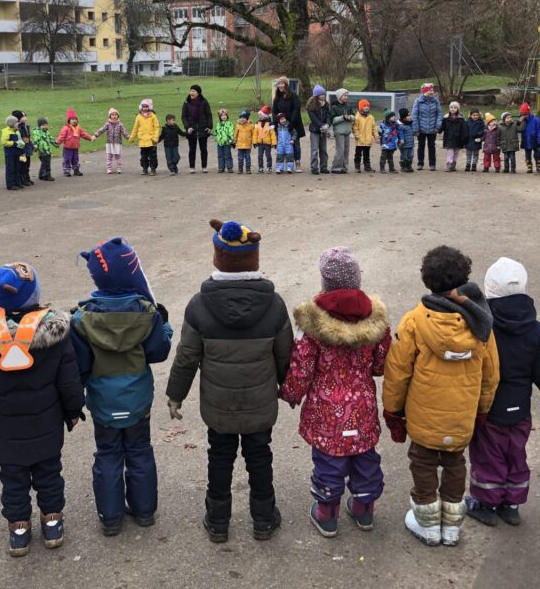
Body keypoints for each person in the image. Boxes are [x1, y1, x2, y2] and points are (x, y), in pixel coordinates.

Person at [166, 220, 293, 543]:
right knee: (260, 456)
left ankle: (218, 519)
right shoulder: (274, 305)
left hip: (219, 406)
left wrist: (175, 395)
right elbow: (284, 356)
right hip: (259, 404)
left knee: (219, 457)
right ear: (255, 259)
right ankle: (264, 518)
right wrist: (289, 388)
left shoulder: (199, 305)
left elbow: (187, 356)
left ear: (217, 257)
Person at [0, 263, 85, 557]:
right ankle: (52, 523)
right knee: (49, 474)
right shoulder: (56, 335)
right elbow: (69, 382)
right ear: (34, 294)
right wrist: (74, 410)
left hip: (6, 433)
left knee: (12, 479)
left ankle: (19, 530)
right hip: (48, 428)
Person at [382, 245, 499, 547]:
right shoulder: (482, 325)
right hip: (462, 415)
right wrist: (483, 409)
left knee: (422, 461)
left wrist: (393, 411)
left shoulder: (414, 322)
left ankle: (427, 520)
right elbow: (490, 374)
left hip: (423, 416)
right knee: (455, 461)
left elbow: (398, 371)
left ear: (426, 281)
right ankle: (451, 524)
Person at [280, 247, 390, 537]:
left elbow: (301, 367)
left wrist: (291, 393)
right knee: (365, 458)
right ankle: (364, 510)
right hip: (362, 408)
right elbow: (381, 363)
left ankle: (327, 513)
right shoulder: (376, 321)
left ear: (325, 282)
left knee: (329, 460)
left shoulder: (313, 326)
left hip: (325, 412)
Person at [70, 237, 172, 536]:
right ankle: (144, 511)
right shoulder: (147, 313)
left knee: (107, 454)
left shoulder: (81, 318)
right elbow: (158, 352)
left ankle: (111, 517)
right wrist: (164, 326)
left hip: (103, 400)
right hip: (137, 399)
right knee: (140, 450)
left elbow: (81, 365)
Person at [465, 258, 540, 527]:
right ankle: (511, 504)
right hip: (521, 408)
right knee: (516, 454)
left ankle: (486, 504)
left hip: (490, 408)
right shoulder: (535, 328)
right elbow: (539, 367)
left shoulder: (485, 328)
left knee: (488, 456)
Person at [271, 76, 305, 172]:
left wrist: (292, 122)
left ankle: (297, 162)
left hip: (293, 123)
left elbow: (296, 109)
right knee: (282, 144)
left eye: (282, 83)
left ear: (286, 85)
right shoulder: (277, 97)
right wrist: (276, 121)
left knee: (295, 143)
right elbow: (274, 111)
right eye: (279, 84)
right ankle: (281, 164)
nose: (280, 85)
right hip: (281, 125)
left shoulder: (293, 95)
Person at [411, 83, 443, 171]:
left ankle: (432, 164)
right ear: (424, 91)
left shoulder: (436, 101)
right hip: (421, 128)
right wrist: (416, 128)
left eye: (432, 90)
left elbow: (439, 114)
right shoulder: (418, 101)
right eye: (430, 90)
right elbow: (414, 115)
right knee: (421, 146)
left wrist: (437, 126)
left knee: (432, 146)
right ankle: (420, 163)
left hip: (433, 128)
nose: (432, 92)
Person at [182, 85, 213, 173]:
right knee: (192, 150)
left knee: (203, 149)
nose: (191, 93)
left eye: (194, 91)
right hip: (191, 129)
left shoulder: (204, 102)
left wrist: (209, 126)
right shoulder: (186, 102)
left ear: (198, 93)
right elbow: (184, 116)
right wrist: (187, 127)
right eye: (191, 91)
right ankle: (192, 167)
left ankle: (204, 166)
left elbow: (208, 115)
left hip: (203, 129)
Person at [55, 109, 95, 177]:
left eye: (75, 119)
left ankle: (76, 170)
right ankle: (66, 171)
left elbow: (84, 134)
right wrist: (58, 141)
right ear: (69, 121)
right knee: (67, 159)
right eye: (72, 119)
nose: (74, 120)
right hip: (67, 147)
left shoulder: (78, 128)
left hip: (75, 147)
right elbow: (62, 136)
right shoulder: (66, 128)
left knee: (75, 159)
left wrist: (90, 138)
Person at [129, 99, 161, 176]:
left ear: (149, 107)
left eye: (146, 107)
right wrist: (132, 138)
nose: (145, 108)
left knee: (153, 156)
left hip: (151, 140)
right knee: (143, 157)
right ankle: (145, 168)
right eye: (143, 107)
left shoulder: (153, 116)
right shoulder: (138, 117)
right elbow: (135, 128)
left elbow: (157, 127)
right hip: (142, 141)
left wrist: (155, 138)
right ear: (141, 107)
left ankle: (153, 169)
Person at [94, 108, 129, 175]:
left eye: (116, 114)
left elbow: (124, 132)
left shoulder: (120, 124)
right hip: (109, 143)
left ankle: (118, 168)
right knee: (109, 157)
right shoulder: (107, 124)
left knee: (118, 157)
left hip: (117, 143)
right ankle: (109, 168)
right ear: (110, 116)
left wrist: (129, 138)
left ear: (118, 116)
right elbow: (102, 130)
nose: (114, 116)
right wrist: (96, 135)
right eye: (112, 115)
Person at [306, 85, 331, 175]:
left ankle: (324, 167)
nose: (323, 96)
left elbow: (328, 116)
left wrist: (327, 125)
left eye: (324, 94)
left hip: (323, 130)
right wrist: (322, 125)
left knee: (323, 150)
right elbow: (314, 119)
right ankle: (314, 167)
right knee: (315, 150)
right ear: (317, 95)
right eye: (321, 94)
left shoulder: (326, 104)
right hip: (315, 130)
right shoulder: (311, 106)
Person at [329, 89, 355, 174]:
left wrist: (350, 117)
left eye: (347, 95)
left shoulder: (348, 106)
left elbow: (354, 116)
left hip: (347, 131)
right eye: (344, 95)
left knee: (346, 150)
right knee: (340, 150)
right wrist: (342, 117)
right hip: (339, 131)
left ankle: (344, 167)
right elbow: (333, 120)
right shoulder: (334, 107)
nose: (346, 97)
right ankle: (336, 167)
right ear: (340, 97)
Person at [440, 101, 468, 173]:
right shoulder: (446, 118)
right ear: (449, 108)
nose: (453, 109)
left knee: (456, 152)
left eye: (455, 107)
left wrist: (464, 137)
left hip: (458, 138)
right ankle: (449, 164)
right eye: (451, 107)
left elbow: (464, 129)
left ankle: (453, 164)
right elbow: (442, 126)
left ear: (457, 109)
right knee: (450, 151)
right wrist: (438, 130)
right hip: (449, 137)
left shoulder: (461, 119)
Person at [353, 100, 379, 173]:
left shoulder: (371, 117)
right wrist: (358, 136)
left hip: (368, 140)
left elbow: (374, 128)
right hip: (359, 140)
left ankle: (367, 167)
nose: (366, 107)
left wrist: (376, 136)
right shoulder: (357, 117)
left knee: (367, 155)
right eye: (364, 106)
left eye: (367, 106)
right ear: (361, 107)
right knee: (358, 154)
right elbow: (355, 128)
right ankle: (357, 167)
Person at [518, 103, 540, 174]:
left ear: (528, 113)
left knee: (537, 154)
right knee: (528, 155)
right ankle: (529, 167)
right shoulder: (522, 120)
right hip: (526, 139)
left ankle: (539, 167)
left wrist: (539, 139)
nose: (523, 116)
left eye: (525, 114)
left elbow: (539, 130)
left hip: (534, 139)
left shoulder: (536, 120)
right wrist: (519, 122)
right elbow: (518, 129)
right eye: (522, 114)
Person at [1, 116, 25, 191]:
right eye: (16, 122)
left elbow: (20, 142)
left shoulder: (17, 132)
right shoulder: (6, 131)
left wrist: (22, 151)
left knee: (17, 168)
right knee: (10, 169)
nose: (18, 124)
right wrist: (14, 143)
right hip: (10, 154)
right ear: (12, 124)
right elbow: (4, 142)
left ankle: (17, 182)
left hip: (17, 153)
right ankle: (10, 184)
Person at [12, 111, 34, 187]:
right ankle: (23, 179)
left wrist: (32, 146)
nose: (25, 118)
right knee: (22, 165)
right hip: (22, 150)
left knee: (27, 164)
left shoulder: (25, 126)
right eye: (23, 116)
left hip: (27, 148)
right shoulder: (19, 127)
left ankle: (27, 178)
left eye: (25, 116)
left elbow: (28, 137)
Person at [254, 105, 277, 174]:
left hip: (267, 143)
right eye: (259, 115)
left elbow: (273, 134)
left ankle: (269, 167)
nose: (259, 117)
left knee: (268, 156)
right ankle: (260, 167)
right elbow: (255, 133)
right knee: (260, 156)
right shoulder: (257, 123)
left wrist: (274, 143)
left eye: (261, 115)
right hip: (260, 143)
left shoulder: (270, 124)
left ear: (265, 116)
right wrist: (254, 142)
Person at [214, 109, 236, 173]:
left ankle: (229, 167)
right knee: (220, 155)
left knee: (227, 155)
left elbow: (231, 132)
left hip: (227, 142)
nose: (224, 116)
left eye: (225, 115)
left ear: (227, 116)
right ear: (220, 117)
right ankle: (221, 167)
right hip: (220, 142)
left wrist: (230, 139)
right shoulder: (218, 124)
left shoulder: (229, 124)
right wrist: (214, 134)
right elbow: (216, 132)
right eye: (222, 115)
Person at [233, 109, 255, 174]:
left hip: (248, 145)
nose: (242, 119)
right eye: (241, 118)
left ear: (247, 119)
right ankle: (240, 169)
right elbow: (235, 134)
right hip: (240, 145)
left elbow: (253, 134)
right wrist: (234, 141)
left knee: (248, 158)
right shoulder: (238, 126)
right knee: (240, 158)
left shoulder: (251, 126)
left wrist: (254, 142)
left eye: (244, 118)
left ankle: (248, 168)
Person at [398, 108, 415, 173]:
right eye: (408, 116)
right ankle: (403, 167)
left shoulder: (410, 124)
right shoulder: (401, 126)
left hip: (411, 144)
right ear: (404, 118)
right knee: (404, 156)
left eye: (409, 115)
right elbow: (399, 134)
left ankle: (409, 165)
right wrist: (400, 141)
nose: (410, 117)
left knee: (411, 155)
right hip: (404, 144)